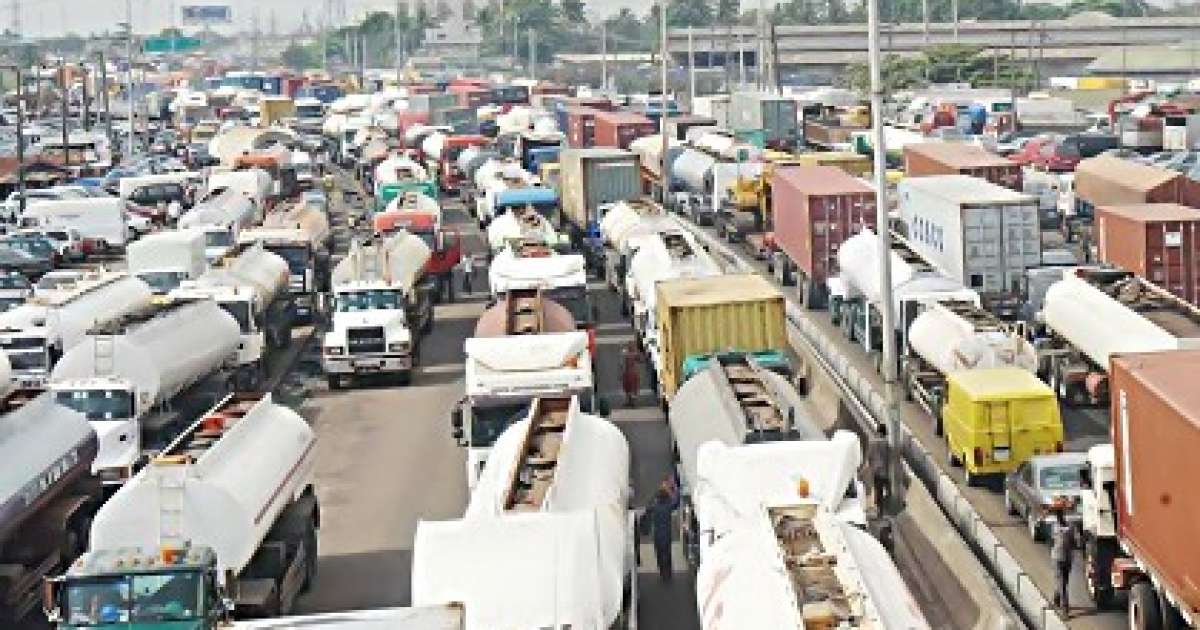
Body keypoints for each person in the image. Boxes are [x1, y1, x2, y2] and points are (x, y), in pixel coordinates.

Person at [643, 479, 680, 581]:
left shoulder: (654, 507)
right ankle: (668, 573)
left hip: (657, 535)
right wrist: (674, 489)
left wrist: (657, 492)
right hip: (667, 535)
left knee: (659, 554)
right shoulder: (668, 507)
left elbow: (648, 505)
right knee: (667, 554)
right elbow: (676, 501)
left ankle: (662, 572)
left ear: (658, 498)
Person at [1050, 506, 1077, 617]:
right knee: (1063, 583)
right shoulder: (1070, 527)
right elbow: (1074, 542)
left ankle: (1057, 599)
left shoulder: (1055, 527)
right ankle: (1065, 608)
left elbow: (1053, 538)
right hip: (1065, 558)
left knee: (1063, 582)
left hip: (1060, 557)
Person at [620, 341, 643, 407]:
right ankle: (630, 402)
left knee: (632, 388)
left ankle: (632, 402)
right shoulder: (628, 354)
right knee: (629, 388)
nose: (630, 347)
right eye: (629, 345)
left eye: (631, 346)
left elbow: (641, 360)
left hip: (632, 372)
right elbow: (641, 360)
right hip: (629, 372)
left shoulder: (629, 354)